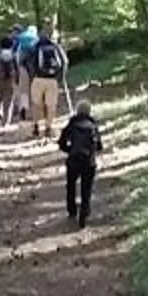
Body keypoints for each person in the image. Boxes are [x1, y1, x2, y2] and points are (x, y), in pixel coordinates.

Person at [59, 92, 101, 227]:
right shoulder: (93, 125)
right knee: (86, 187)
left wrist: (69, 150)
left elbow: (61, 142)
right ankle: (84, 211)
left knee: (71, 185)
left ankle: (71, 210)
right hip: (88, 160)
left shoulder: (72, 124)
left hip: (73, 159)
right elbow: (99, 145)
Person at [26, 22, 69, 138]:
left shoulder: (35, 47)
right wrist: (61, 77)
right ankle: (48, 127)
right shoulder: (56, 47)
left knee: (36, 104)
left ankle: (35, 126)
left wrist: (32, 76)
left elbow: (28, 62)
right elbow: (64, 62)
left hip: (38, 79)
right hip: (52, 80)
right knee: (51, 105)